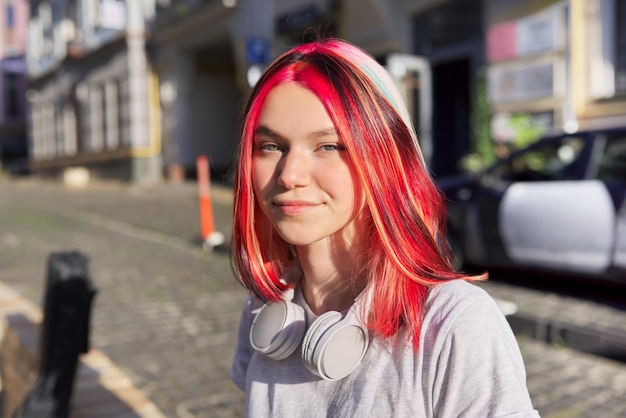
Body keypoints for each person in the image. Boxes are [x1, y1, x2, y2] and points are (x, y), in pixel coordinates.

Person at [230, 38, 540, 417]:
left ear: (385, 158)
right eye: (271, 146)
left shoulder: (456, 326)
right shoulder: (265, 310)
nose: (289, 175)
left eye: (329, 146)